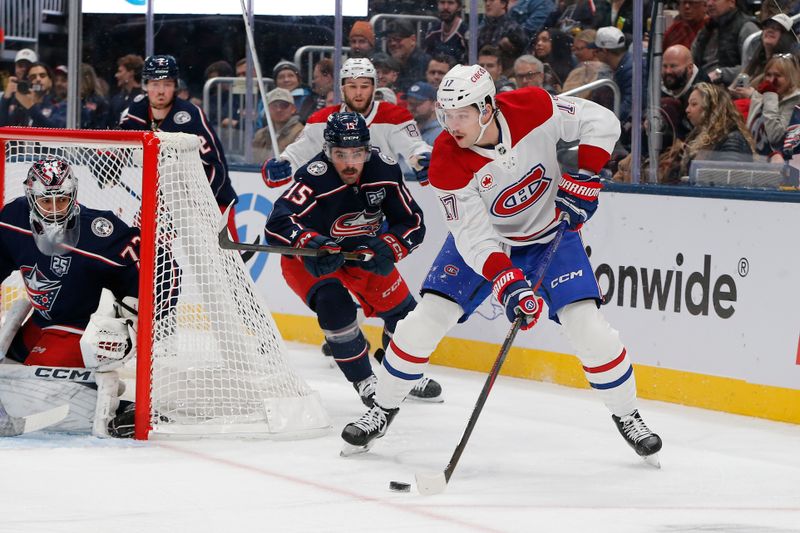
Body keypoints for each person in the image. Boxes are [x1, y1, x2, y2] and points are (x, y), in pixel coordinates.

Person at [342, 64, 663, 465]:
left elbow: (602, 121)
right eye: (445, 115)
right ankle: (382, 409)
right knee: (425, 320)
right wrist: (507, 281)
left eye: (461, 115)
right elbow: (473, 237)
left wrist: (586, 176)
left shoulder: (533, 106)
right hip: (485, 245)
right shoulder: (445, 159)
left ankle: (627, 415)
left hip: (551, 236)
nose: (451, 125)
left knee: (590, 329)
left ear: (488, 107)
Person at [264, 112, 442, 407]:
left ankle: (400, 374)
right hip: (314, 260)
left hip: (362, 254)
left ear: (367, 149)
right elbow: (277, 221)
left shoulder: (384, 171)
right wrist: (308, 242)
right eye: (340, 154)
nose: (349, 163)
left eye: (357, 153)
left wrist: (390, 246)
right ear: (327, 151)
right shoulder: (314, 176)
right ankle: (365, 381)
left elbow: (412, 222)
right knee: (335, 306)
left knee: (406, 319)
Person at [0, 158, 140, 437]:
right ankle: (92, 386)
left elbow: (157, 269)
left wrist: (134, 313)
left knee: (33, 393)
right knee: (9, 380)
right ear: (31, 197)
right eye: (46, 202)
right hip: (40, 321)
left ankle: (118, 407)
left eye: (62, 200)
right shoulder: (12, 219)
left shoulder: (101, 231)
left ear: (73, 194)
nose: (54, 210)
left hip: (81, 326)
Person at [262, 58, 432, 188]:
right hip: (336, 207)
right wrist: (280, 166)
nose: (358, 93)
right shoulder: (321, 120)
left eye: (364, 86)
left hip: (383, 206)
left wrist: (423, 160)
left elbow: (415, 147)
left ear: (374, 88)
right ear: (342, 89)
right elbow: (295, 155)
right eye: (352, 86)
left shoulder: (394, 116)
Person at [118, 55, 238, 237]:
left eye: (167, 84)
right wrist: (108, 156)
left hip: (212, 201)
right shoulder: (138, 108)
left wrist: (201, 203)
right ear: (145, 85)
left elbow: (216, 166)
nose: (160, 91)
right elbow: (121, 140)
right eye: (154, 84)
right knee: (138, 242)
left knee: (222, 260)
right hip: (166, 197)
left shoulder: (190, 115)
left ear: (175, 86)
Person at [663, 82, 754, 183]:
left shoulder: (733, 139)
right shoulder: (697, 137)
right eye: (688, 104)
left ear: (711, 107)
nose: (687, 110)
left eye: (694, 104)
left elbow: (728, 182)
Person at [739, 54, 800, 158]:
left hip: (782, 167)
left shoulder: (795, 101)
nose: (771, 80)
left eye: (778, 76)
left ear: (790, 77)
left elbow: (774, 136)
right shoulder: (763, 96)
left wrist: (770, 96)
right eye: (768, 75)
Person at [692, 0, 759, 86]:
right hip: (702, 85)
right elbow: (693, 58)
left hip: (730, 89)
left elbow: (754, 68)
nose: (709, 4)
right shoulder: (707, 28)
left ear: (731, 2)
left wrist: (721, 74)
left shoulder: (747, 27)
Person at [251, 88, 304, 163]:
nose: (278, 109)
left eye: (284, 105)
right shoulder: (260, 134)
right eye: (274, 106)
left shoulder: (301, 133)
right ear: (267, 109)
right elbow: (253, 161)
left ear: (293, 109)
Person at [107, 54, 144, 129]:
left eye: (120, 71)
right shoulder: (116, 99)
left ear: (131, 73)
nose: (116, 75)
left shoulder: (144, 99)